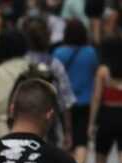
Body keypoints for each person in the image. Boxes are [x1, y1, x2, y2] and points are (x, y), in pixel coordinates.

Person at [53, 19, 100, 163]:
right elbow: (95, 73)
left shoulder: (58, 53)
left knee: (68, 138)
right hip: (86, 102)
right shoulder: (90, 52)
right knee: (82, 141)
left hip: (64, 103)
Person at [24, 17, 76, 150]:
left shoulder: (22, 64)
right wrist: (68, 131)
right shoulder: (55, 65)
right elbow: (65, 101)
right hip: (48, 126)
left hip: (23, 123)